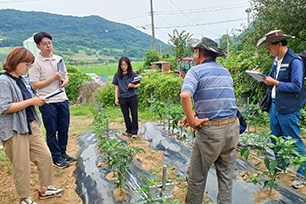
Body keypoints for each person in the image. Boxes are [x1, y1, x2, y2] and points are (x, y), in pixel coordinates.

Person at [0, 47, 64, 204]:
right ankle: (24, 198)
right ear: (16, 61)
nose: (28, 68)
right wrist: (31, 102)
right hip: (15, 129)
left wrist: (38, 99)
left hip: (31, 125)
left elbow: (27, 99)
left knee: (44, 156)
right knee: (21, 165)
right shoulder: (4, 81)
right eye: (26, 65)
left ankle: (45, 188)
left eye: (30, 65)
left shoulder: (22, 79)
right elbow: (5, 108)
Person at [180, 37, 240, 204]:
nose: (193, 57)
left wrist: (192, 121)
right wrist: (192, 114)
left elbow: (185, 95)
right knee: (226, 180)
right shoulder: (224, 71)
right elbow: (219, 100)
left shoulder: (195, 71)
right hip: (232, 130)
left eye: (194, 52)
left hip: (211, 133)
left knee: (196, 178)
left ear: (198, 53)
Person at [256, 29, 306, 188]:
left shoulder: (295, 61)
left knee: (293, 140)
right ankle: (280, 165)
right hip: (274, 106)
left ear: (279, 44)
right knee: (275, 138)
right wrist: (261, 76)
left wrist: (275, 83)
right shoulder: (276, 61)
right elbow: (272, 79)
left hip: (289, 109)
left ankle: (302, 173)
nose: (268, 48)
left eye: (269, 45)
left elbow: (297, 86)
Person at [29, 31, 75, 169]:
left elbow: (65, 75)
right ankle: (56, 157)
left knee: (63, 128)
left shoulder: (58, 58)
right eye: (45, 44)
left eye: (50, 43)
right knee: (51, 130)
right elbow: (34, 85)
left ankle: (63, 153)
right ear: (38, 46)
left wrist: (64, 81)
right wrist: (52, 79)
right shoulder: (35, 63)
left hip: (62, 98)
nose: (48, 46)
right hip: (47, 101)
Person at [112, 56, 140, 138]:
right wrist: (116, 98)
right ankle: (129, 130)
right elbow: (116, 86)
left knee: (134, 114)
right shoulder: (117, 75)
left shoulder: (133, 73)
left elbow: (138, 83)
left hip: (132, 96)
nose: (123, 67)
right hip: (123, 97)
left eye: (125, 65)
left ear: (128, 65)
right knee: (125, 114)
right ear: (119, 66)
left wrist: (133, 86)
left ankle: (134, 132)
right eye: (122, 65)